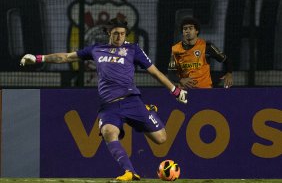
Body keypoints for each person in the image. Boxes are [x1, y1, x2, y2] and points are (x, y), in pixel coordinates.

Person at [20, 17, 187, 181]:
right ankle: (130, 172)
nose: (119, 37)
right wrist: (37, 58)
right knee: (108, 132)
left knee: (161, 139)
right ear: (109, 33)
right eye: (116, 33)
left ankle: (148, 111)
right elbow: (66, 57)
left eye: (122, 34)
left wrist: (175, 90)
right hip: (109, 107)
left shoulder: (133, 49)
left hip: (131, 101)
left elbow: (155, 73)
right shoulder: (96, 49)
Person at [168, 17, 233, 89]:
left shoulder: (207, 46)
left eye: (190, 28)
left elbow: (226, 60)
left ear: (196, 31)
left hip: (205, 90)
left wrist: (229, 73)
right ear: (182, 32)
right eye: (185, 29)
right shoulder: (176, 49)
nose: (187, 31)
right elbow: (171, 73)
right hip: (185, 91)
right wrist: (181, 80)